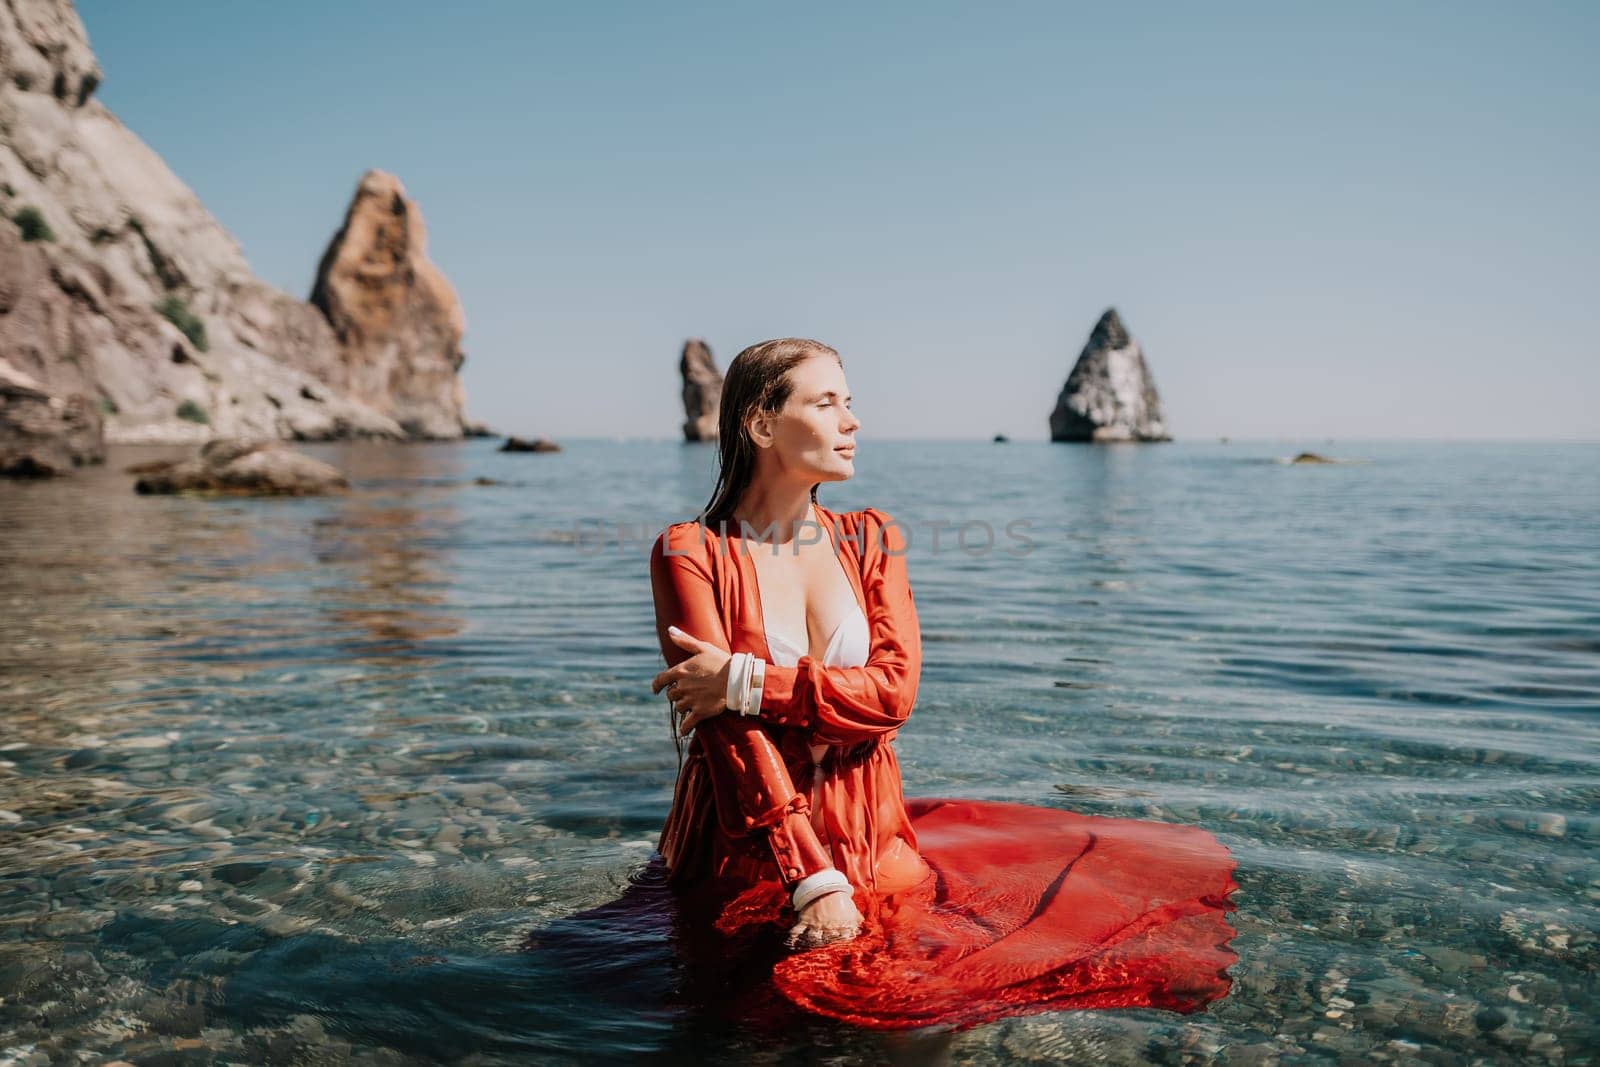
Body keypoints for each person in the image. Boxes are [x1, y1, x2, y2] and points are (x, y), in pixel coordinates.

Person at [648, 338, 1240, 1030]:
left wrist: (747, 678)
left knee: (921, 1018)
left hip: (874, 829)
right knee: (744, 1034)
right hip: (743, 845)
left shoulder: (874, 538)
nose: (853, 421)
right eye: (827, 402)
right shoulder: (689, 550)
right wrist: (811, 878)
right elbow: (726, 734)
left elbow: (894, 692)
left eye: (851, 401)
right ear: (761, 423)